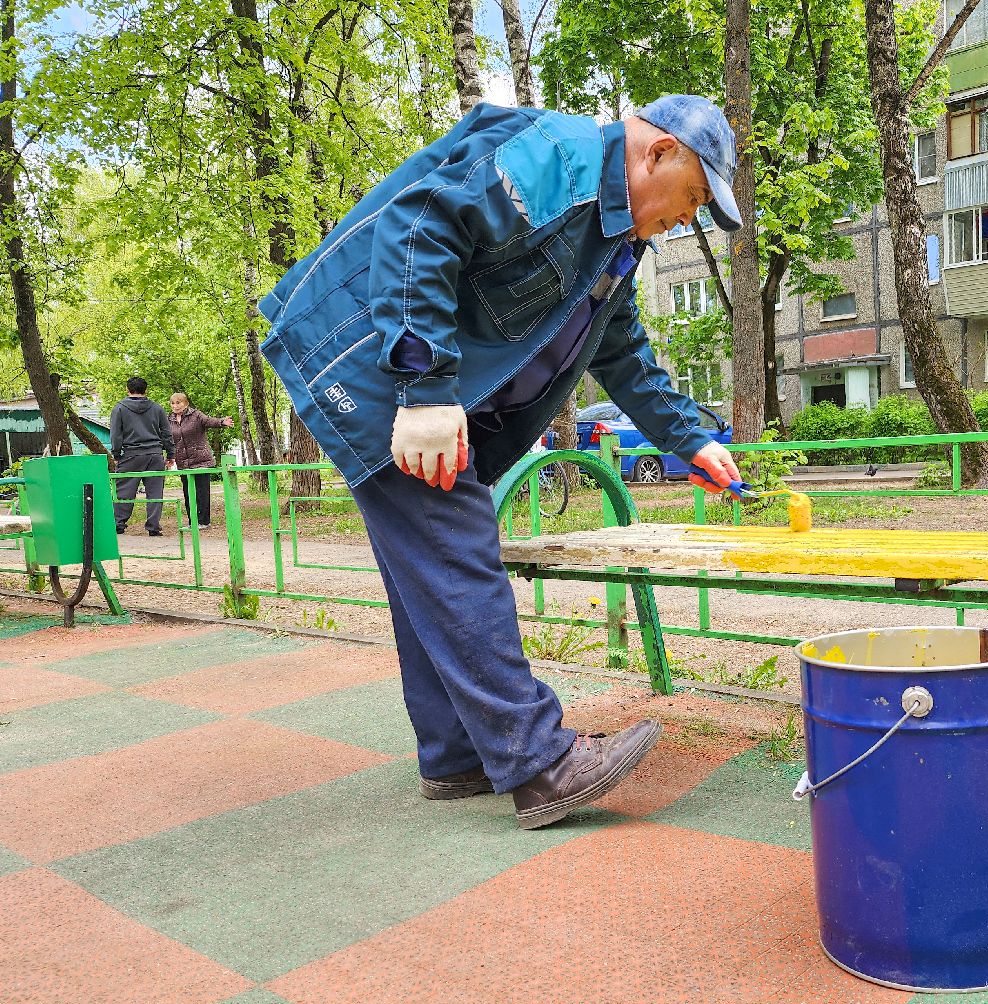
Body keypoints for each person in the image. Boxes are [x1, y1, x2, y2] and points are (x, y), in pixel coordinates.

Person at [260, 95, 744, 830]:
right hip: (373, 366)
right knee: (457, 553)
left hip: (420, 388)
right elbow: (421, 227)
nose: (690, 217)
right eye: (695, 197)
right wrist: (422, 388)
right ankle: (540, 763)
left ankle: (455, 755)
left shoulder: (616, 243)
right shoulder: (561, 159)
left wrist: (691, 440)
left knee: (428, 569)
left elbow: (622, 357)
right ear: (658, 153)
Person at [109, 376, 174, 536]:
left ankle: (119, 524)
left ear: (127, 389)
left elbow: (116, 434)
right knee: (155, 491)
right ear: (146, 390)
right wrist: (170, 453)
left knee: (124, 490)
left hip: (131, 454)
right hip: (154, 454)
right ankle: (153, 527)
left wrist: (116, 454)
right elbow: (166, 433)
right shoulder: (157, 408)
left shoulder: (119, 408)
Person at [167, 392, 235, 529]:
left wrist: (222, 422)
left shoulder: (196, 415)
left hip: (201, 460)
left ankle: (204, 522)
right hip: (183, 462)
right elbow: (169, 440)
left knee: (202, 492)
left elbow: (209, 421)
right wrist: (170, 457)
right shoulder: (169, 420)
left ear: (185, 403)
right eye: (173, 403)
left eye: (178, 402)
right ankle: (193, 521)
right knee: (188, 492)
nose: (175, 406)